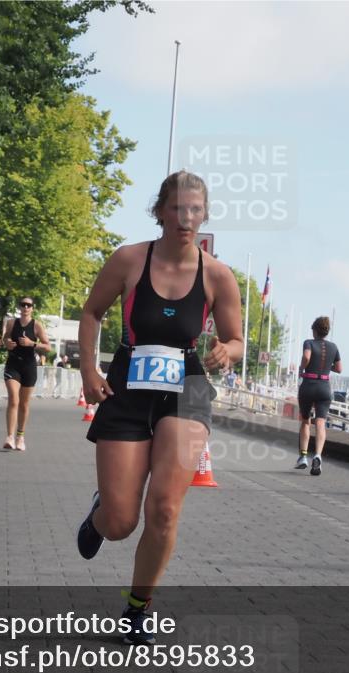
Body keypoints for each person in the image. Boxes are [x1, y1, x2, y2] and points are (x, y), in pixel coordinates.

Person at [75, 171, 243, 645]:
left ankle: (137, 609)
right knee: (122, 521)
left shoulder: (217, 275)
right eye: (177, 208)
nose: (186, 218)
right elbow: (92, 313)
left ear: (204, 215)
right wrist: (89, 370)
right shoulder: (129, 260)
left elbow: (237, 339)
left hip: (187, 389)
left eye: (195, 210)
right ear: (160, 211)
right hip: (127, 385)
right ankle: (99, 515)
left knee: (165, 509)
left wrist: (227, 352)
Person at [295, 316, 342, 476]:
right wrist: (326, 365)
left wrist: (302, 368)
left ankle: (303, 456)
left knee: (306, 421)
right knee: (320, 422)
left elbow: (307, 357)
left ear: (315, 330)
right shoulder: (334, 347)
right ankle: (318, 455)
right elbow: (339, 368)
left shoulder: (308, 342)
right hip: (324, 387)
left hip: (308, 385)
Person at [2, 297, 51, 451]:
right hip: (13, 364)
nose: (25, 307)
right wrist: (7, 343)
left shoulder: (36, 325)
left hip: (29, 366)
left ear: (32, 308)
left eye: (28, 305)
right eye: (23, 305)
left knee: (24, 403)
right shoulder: (11, 323)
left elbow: (48, 346)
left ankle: (20, 436)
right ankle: (9, 437)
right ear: (19, 307)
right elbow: (5, 338)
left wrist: (32, 343)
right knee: (13, 399)